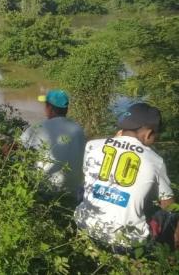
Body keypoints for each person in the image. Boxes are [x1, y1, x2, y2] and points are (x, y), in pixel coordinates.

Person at [75, 103, 178, 252]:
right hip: (126, 243)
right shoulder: (155, 160)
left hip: (85, 227)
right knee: (169, 213)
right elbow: (168, 204)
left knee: (84, 186)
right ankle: (168, 254)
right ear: (149, 134)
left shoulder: (92, 145)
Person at [19, 90, 86, 195]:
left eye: (45, 105)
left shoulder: (38, 128)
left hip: (46, 188)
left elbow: (18, 148)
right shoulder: (79, 129)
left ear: (50, 109)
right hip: (73, 188)